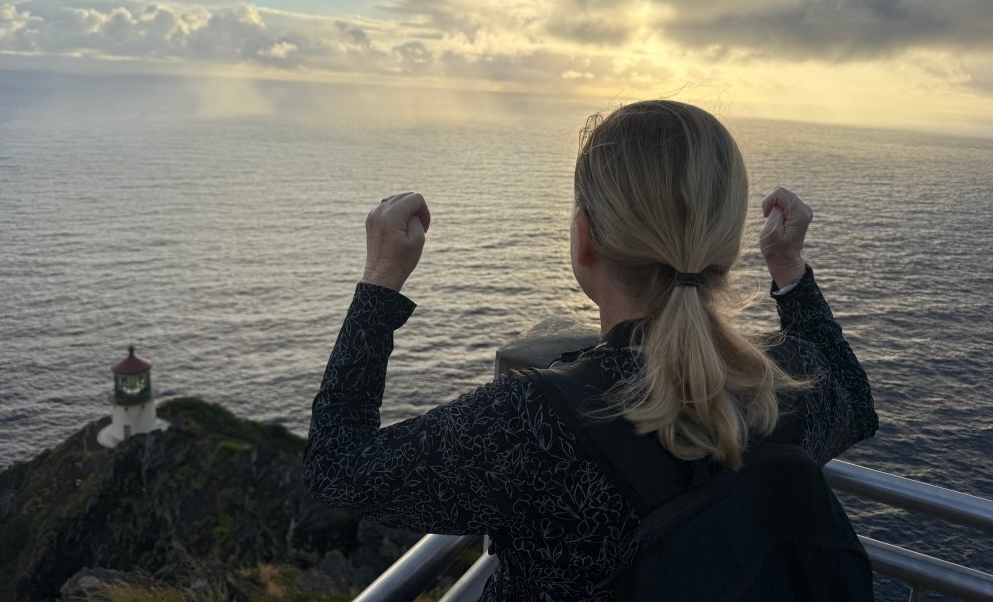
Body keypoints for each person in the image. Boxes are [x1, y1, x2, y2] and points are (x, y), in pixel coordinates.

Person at [304, 100, 878, 601]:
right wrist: (788, 268)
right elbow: (856, 401)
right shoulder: (790, 381)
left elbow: (338, 467)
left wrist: (381, 280)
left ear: (583, 238)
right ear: (725, 245)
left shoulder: (532, 424)